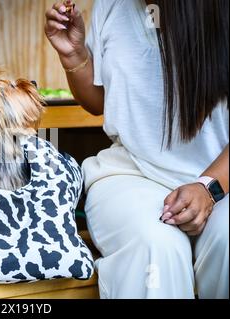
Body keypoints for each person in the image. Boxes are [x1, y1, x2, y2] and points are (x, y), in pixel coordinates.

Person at [45, 0, 229, 299]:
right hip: (131, 174)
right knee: (155, 244)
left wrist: (208, 188)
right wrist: (74, 54)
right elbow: (101, 102)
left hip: (221, 180)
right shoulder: (112, 5)